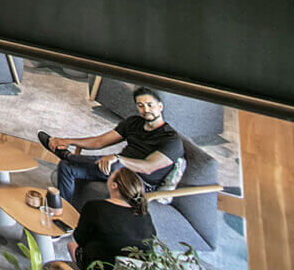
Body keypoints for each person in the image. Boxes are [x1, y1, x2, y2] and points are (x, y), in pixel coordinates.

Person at [37, 85, 184, 203]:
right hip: (116, 168)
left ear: (160, 106)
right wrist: (68, 141)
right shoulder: (133, 122)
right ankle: (63, 216)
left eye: (150, 105)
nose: (146, 110)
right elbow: (99, 141)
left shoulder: (171, 140)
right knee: (66, 167)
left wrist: (118, 158)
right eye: (141, 105)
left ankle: (67, 156)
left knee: (114, 163)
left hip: (140, 183)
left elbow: (148, 167)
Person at [72, 167, 156, 270]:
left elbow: (80, 239)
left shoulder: (95, 207)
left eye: (112, 174)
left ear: (114, 185)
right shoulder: (144, 214)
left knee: (72, 244)